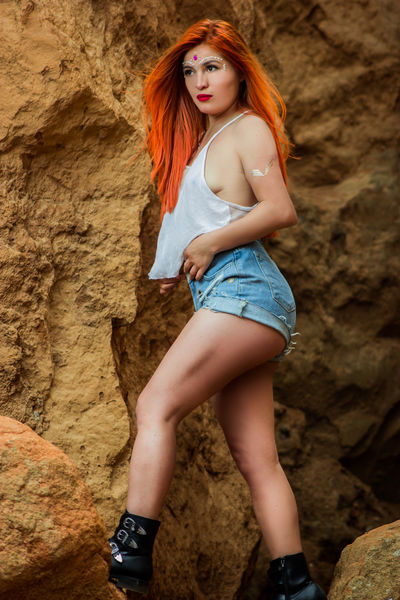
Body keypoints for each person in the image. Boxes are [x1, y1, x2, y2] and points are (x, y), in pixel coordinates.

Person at [108, 19, 327, 600]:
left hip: (244, 290)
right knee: (257, 458)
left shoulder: (247, 127)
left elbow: (279, 209)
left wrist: (206, 246)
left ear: (239, 71)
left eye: (213, 67)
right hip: (237, 299)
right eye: (190, 71)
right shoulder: (205, 141)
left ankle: (130, 548)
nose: (200, 81)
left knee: (155, 405)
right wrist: (177, 262)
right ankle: (295, 586)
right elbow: (206, 214)